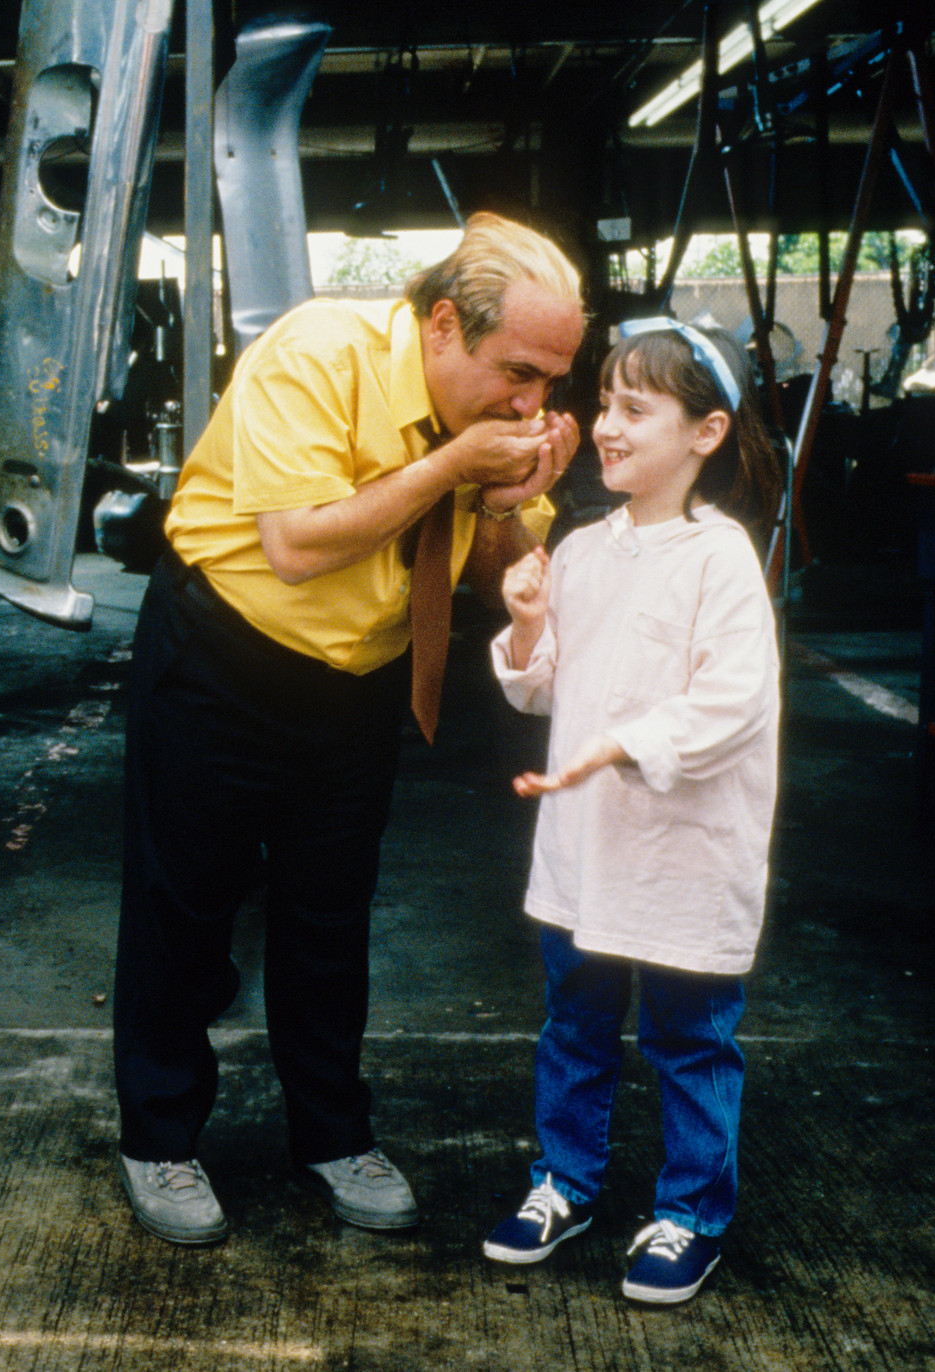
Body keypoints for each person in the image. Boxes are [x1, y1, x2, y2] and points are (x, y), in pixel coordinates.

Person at [112, 212, 587, 1245]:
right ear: (442, 326)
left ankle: (331, 1131)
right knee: (181, 907)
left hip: (359, 680)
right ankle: (157, 1136)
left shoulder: (496, 425)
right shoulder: (317, 353)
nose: (531, 400)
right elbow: (294, 545)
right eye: (516, 369)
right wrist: (457, 462)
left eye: (551, 382)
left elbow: (476, 569)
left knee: (328, 916)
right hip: (224, 655)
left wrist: (512, 500)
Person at [480, 318, 782, 1304]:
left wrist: (625, 743)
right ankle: (561, 1182)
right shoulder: (577, 550)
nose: (604, 426)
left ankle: (689, 1211)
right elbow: (537, 689)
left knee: (689, 1038)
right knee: (572, 1023)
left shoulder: (719, 556)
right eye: (604, 403)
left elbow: (732, 703)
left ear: (703, 434)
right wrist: (526, 625)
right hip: (585, 850)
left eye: (632, 410)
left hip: (682, 852)